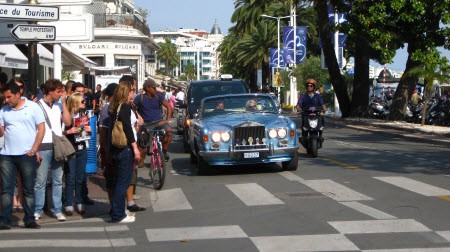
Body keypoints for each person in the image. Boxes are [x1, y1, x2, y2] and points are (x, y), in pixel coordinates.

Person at [0, 82, 45, 229]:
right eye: (4, 97)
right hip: (7, 155)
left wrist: (34, 150)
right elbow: (1, 131)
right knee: (7, 189)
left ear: (18, 95)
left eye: (9, 97)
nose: (6, 100)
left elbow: (41, 129)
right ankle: (4, 220)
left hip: (26, 155)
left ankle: (29, 219)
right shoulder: (4, 110)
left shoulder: (32, 107)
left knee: (28, 188)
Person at [34, 79, 72, 222]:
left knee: (57, 180)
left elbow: (68, 122)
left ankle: (57, 209)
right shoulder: (37, 105)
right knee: (41, 180)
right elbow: (33, 128)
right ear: (50, 91)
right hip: (42, 146)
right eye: (58, 91)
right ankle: (38, 209)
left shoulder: (59, 105)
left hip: (57, 146)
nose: (61, 94)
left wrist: (63, 103)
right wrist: (35, 149)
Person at [108, 81, 140, 223]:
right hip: (125, 148)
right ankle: (119, 214)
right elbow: (127, 128)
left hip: (116, 148)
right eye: (132, 91)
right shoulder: (125, 107)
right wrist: (135, 147)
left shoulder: (115, 107)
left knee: (119, 181)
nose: (133, 93)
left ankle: (118, 210)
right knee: (123, 182)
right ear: (126, 92)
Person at [64, 92, 92, 216]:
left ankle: (80, 202)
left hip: (82, 148)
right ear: (75, 102)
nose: (84, 103)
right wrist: (69, 131)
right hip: (70, 148)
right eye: (82, 101)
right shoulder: (66, 116)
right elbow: (60, 133)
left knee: (80, 178)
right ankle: (69, 203)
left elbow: (88, 133)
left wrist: (89, 130)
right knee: (70, 178)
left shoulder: (84, 115)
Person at [134, 79, 172, 162]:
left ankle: (164, 152)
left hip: (159, 122)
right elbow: (132, 107)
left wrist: (167, 120)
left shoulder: (158, 96)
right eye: (154, 88)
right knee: (141, 143)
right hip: (145, 124)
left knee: (169, 132)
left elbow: (169, 106)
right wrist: (137, 117)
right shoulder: (139, 97)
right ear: (147, 88)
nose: (155, 90)